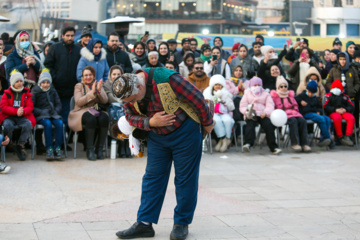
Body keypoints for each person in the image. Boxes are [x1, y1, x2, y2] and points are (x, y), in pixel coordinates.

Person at [112, 67, 214, 240]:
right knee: (152, 178)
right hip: (157, 136)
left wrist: (207, 123)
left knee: (185, 179)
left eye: (132, 99)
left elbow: (197, 98)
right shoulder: (127, 90)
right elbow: (129, 116)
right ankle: (144, 223)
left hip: (185, 131)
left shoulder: (167, 78)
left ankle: (181, 224)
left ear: (140, 88)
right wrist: (150, 121)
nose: (129, 103)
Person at [68, 66, 109, 160]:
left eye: (90, 75)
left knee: (104, 118)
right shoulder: (79, 86)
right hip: (81, 111)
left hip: (94, 110)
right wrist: (92, 92)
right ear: (82, 77)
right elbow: (78, 102)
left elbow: (105, 100)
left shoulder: (98, 84)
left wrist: (98, 91)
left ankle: (99, 149)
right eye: (85, 75)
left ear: (94, 75)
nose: (88, 77)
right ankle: (89, 150)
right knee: (91, 119)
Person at [44, 26, 81, 129]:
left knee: (67, 117)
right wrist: (55, 78)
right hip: (56, 89)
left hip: (71, 90)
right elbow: (48, 65)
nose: (70, 38)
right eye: (67, 35)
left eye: (72, 36)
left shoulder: (79, 50)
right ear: (62, 36)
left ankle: (63, 142)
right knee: (55, 117)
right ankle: (55, 142)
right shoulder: (55, 48)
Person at [240, 77, 282, 154]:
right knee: (250, 124)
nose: (257, 86)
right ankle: (248, 143)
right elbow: (243, 105)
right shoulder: (247, 93)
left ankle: (274, 147)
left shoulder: (266, 94)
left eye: (259, 85)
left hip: (262, 114)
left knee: (269, 125)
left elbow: (270, 105)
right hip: (251, 113)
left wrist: (266, 112)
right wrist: (247, 112)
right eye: (255, 85)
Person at [0, 70, 36, 160]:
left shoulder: (26, 93)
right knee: (7, 125)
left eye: (21, 81)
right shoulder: (6, 94)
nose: (19, 83)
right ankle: (10, 143)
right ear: (12, 83)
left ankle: (20, 145)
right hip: (9, 116)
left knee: (28, 124)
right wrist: (15, 111)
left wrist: (23, 111)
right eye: (17, 81)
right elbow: (3, 107)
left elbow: (30, 106)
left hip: (22, 116)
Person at [271, 76, 311, 152]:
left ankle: (304, 143)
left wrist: (294, 111)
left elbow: (295, 106)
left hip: (294, 113)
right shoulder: (275, 97)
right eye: (281, 86)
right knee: (293, 121)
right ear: (278, 87)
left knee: (302, 121)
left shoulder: (291, 96)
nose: (283, 88)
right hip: (283, 115)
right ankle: (295, 143)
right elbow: (276, 109)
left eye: (285, 86)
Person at [31, 69, 65, 160]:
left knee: (60, 124)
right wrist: (41, 112)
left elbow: (58, 104)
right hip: (41, 115)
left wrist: (56, 111)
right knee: (48, 124)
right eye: (43, 82)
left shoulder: (53, 90)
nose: (45, 85)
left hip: (53, 114)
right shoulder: (35, 91)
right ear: (40, 82)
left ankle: (57, 147)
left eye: (47, 82)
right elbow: (32, 107)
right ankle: (49, 148)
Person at [103, 65, 132, 158]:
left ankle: (126, 144)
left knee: (128, 115)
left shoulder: (126, 84)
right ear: (110, 75)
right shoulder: (106, 85)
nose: (116, 76)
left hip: (124, 110)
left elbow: (130, 97)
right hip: (112, 110)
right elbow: (110, 98)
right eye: (114, 74)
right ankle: (121, 145)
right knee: (121, 115)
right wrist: (122, 99)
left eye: (118, 74)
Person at [296, 80, 333, 147]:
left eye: (312, 93)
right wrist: (301, 102)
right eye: (309, 92)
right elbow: (304, 107)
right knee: (321, 119)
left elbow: (319, 108)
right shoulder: (301, 96)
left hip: (314, 114)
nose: (310, 94)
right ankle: (328, 139)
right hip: (306, 114)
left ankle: (323, 137)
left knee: (327, 118)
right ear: (306, 89)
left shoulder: (315, 98)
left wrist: (318, 111)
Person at [203, 74, 234, 152]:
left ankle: (226, 139)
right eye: (216, 84)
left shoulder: (226, 93)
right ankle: (223, 138)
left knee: (228, 121)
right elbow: (205, 106)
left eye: (219, 84)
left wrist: (224, 101)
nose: (217, 86)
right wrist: (214, 101)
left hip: (224, 112)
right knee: (216, 121)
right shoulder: (207, 93)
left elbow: (231, 107)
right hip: (213, 113)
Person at [324, 79, 355, 146]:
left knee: (351, 118)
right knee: (337, 118)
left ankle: (348, 136)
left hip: (344, 111)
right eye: (335, 87)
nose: (336, 89)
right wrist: (335, 110)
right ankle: (339, 136)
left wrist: (345, 109)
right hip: (334, 112)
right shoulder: (328, 96)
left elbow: (351, 106)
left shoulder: (345, 97)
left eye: (338, 88)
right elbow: (326, 107)